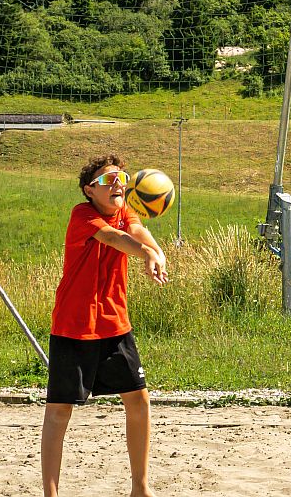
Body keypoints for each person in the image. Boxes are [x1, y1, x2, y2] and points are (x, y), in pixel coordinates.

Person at [43, 155, 169, 497]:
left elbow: (137, 230)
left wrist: (155, 253)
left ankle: (140, 489)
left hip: (114, 325)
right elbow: (116, 239)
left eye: (120, 178)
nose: (116, 183)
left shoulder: (126, 211)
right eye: (106, 180)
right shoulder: (82, 215)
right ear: (89, 190)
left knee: (138, 401)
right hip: (74, 326)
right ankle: (51, 494)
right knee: (59, 411)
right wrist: (145, 253)